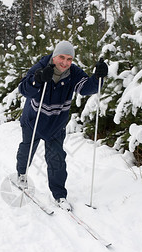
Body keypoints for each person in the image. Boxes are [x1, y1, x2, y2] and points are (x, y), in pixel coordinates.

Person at [16, 40, 108, 211]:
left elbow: (85, 88)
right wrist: (37, 79)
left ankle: (59, 195)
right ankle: (22, 174)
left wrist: (98, 78)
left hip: (56, 123)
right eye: (61, 57)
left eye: (69, 59)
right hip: (33, 120)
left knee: (57, 159)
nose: (65, 63)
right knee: (27, 149)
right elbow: (24, 89)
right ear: (54, 55)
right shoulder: (42, 66)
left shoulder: (73, 73)